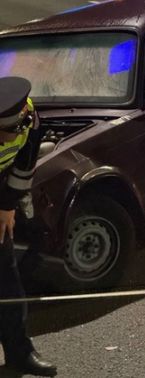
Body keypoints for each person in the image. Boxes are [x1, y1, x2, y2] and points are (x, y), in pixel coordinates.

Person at [0, 77, 57, 376]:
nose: (6, 140)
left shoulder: (29, 117)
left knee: (7, 281)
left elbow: (25, 165)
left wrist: (7, 206)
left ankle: (20, 353)